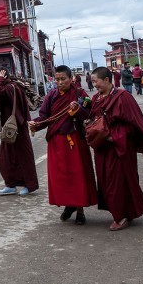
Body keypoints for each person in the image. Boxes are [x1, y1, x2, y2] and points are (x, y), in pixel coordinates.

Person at [88, 68, 143, 231]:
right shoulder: (96, 98)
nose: (93, 85)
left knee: (119, 181)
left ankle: (121, 216)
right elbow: (93, 118)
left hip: (119, 146)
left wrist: (113, 136)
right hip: (102, 147)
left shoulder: (123, 97)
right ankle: (124, 211)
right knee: (105, 180)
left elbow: (134, 124)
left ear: (107, 80)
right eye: (92, 81)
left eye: (95, 81)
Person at [29, 66, 98, 225]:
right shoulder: (51, 96)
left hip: (75, 138)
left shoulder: (80, 94)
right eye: (57, 79)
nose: (60, 82)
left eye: (63, 79)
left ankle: (80, 210)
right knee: (62, 176)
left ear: (71, 78)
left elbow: (89, 114)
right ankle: (69, 204)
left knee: (78, 175)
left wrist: (78, 109)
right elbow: (44, 117)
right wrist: (35, 125)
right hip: (57, 141)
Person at [0, 68, 39, 196]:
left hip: (18, 127)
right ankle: (10, 184)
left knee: (24, 157)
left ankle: (29, 185)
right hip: (9, 129)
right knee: (4, 157)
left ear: (3, 76)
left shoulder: (13, 87)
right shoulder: (9, 86)